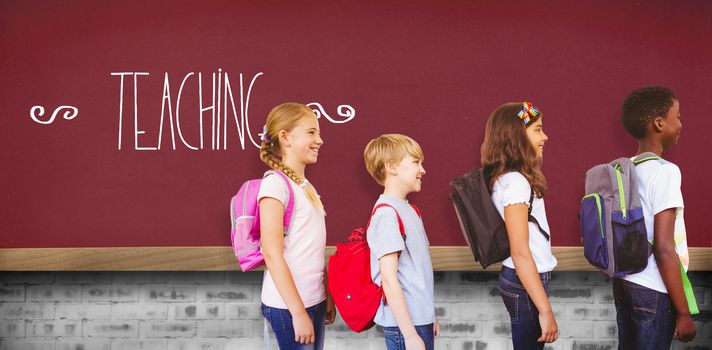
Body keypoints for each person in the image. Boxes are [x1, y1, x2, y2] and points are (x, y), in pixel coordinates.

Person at [615, 86, 696, 349]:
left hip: (626, 283)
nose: (681, 123)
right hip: (654, 288)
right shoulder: (666, 172)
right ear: (659, 123)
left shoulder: (623, 168)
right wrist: (683, 313)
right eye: (678, 116)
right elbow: (663, 247)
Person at [480, 102, 558, 349]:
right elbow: (521, 252)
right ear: (517, 136)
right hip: (523, 279)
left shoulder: (507, 178)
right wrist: (545, 310)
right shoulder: (515, 182)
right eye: (537, 129)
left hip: (523, 278)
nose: (545, 136)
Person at [258, 102, 335, 349]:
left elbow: (312, 247)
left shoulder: (305, 186)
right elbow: (271, 253)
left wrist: (326, 294)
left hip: (314, 300)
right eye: (311, 132)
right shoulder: (274, 186)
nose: (320, 140)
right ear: (285, 138)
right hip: (290, 307)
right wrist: (298, 313)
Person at [363, 134, 438, 350]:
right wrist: (410, 335)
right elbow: (389, 280)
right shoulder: (386, 214)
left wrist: (429, 314)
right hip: (405, 326)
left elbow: (417, 270)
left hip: (419, 319)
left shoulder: (410, 210)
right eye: (415, 162)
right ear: (392, 168)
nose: (422, 170)